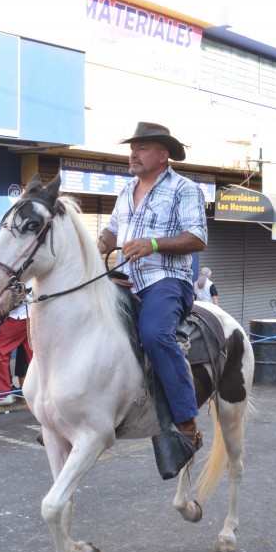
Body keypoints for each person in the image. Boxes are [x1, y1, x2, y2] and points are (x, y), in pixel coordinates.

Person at [97, 122, 206, 449]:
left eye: (142, 148)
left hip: (166, 279)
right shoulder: (125, 190)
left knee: (154, 334)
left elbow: (198, 238)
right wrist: (96, 246)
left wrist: (154, 244)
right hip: (123, 278)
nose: (134, 153)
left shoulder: (184, 188)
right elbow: (112, 233)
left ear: (163, 155)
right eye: (133, 147)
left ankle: (185, 420)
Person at [0, 296, 33, 404]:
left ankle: (3, 394)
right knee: (33, 354)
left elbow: (17, 296)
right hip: (31, 315)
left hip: (19, 316)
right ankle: (39, 391)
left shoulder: (16, 278)